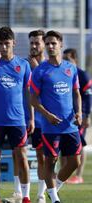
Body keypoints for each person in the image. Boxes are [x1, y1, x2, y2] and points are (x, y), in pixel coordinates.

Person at [0, 26, 33, 203]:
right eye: (0, 44)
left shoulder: (23, 65)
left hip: (18, 120)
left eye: (6, 44)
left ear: (14, 43)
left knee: (22, 156)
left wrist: (31, 117)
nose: (3, 47)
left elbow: (30, 93)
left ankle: (25, 196)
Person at [30, 30, 82, 203]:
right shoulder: (40, 71)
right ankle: (53, 199)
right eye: (48, 43)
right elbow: (33, 99)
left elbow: (76, 93)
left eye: (54, 43)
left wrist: (79, 112)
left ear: (61, 44)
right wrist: (47, 115)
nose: (51, 46)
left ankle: (55, 188)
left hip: (70, 125)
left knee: (74, 162)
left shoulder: (70, 68)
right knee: (50, 161)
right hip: (50, 126)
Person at [5, 29, 47, 203]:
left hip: (42, 119)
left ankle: (41, 194)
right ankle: (18, 192)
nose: (34, 46)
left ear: (44, 44)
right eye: (31, 42)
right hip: (20, 118)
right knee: (18, 155)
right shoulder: (21, 64)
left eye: (37, 42)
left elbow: (50, 93)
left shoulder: (49, 66)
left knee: (42, 157)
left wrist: (37, 69)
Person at [62, 48, 91, 184]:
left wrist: (87, 115)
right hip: (66, 115)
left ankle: (79, 175)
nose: (65, 62)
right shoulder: (62, 73)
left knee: (80, 144)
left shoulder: (83, 75)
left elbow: (88, 97)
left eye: (68, 59)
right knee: (63, 144)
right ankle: (63, 174)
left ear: (75, 60)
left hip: (80, 116)